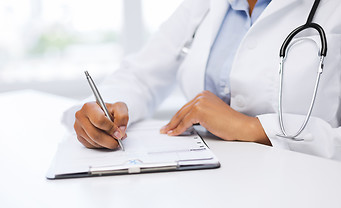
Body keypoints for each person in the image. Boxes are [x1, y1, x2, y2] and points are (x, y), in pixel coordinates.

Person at [67, 0, 341, 160]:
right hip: (207, 190)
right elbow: (140, 77)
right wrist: (105, 109)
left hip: (306, 193)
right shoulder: (205, 4)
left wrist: (253, 129)